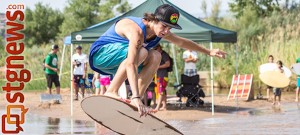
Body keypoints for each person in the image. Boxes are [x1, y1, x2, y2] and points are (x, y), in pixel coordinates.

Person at [89, 4, 226, 116]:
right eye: (164, 26)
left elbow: (182, 42)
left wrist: (209, 51)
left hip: (118, 63)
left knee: (156, 56)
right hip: (100, 55)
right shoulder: (136, 31)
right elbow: (131, 63)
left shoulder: (159, 32)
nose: (166, 31)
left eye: (169, 28)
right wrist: (136, 96)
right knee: (142, 52)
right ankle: (112, 91)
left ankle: (134, 103)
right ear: (153, 20)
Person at [154, 44, 170, 111]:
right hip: (159, 75)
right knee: (162, 91)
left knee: (160, 91)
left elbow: (168, 64)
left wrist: (158, 67)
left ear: (159, 48)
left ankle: (157, 107)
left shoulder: (164, 54)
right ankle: (164, 106)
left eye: (155, 49)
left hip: (162, 76)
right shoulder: (159, 54)